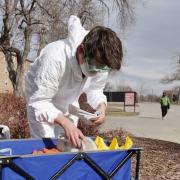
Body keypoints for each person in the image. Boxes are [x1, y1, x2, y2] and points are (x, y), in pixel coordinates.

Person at [25, 15, 123, 148]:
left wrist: (101, 107)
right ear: (81, 50)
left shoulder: (100, 61)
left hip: (69, 103)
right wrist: (65, 123)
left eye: (102, 68)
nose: (97, 72)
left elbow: (95, 89)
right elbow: (39, 101)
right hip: (42, 101)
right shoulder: (55, 56)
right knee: (47, 149)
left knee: (69, 147)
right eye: (94, 66)